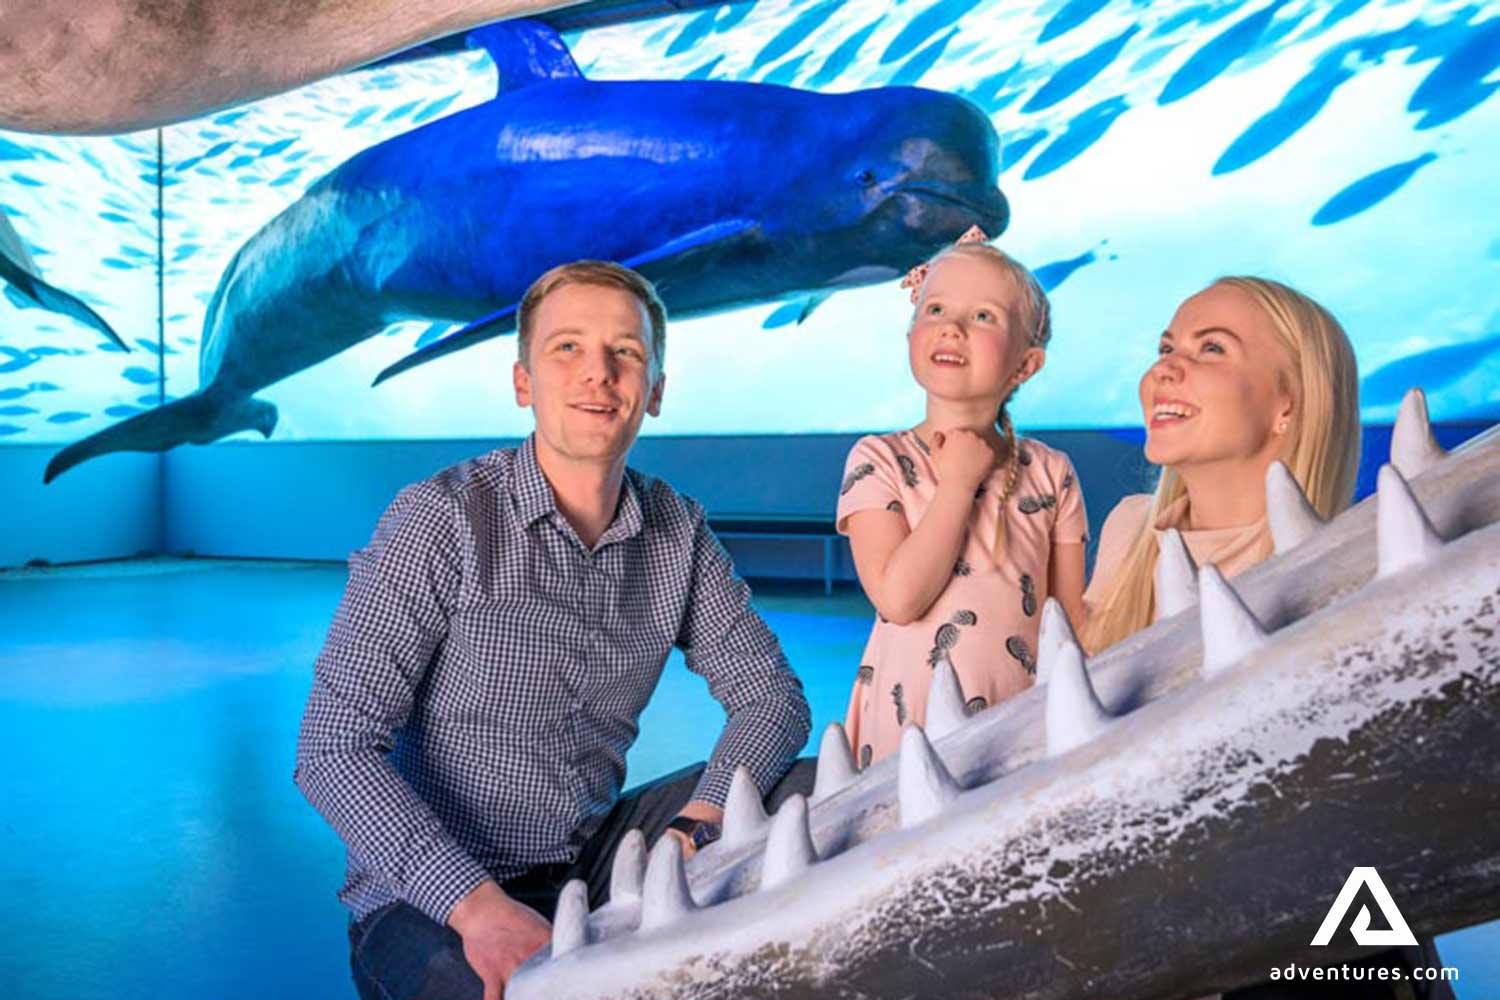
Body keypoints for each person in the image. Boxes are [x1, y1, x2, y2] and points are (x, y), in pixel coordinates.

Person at [294, 260, 812, 1000]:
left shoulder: (679, 529)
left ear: (655, 389)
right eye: (566, 347)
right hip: (433, 899)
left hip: (592, 857)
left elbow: (772, 699)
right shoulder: (438, 521)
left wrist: (696, 826)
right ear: (522, 383)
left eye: (625, 352)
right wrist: (480, 911)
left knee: (807, 789)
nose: (597, 374)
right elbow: (332, 749)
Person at [1080, 276, 1453, 1000]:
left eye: (1209, 348)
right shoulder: (1130, 530)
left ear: (1289, 403)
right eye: (1165, 347)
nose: (1165, 367)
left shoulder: (1360, 560)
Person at [836, 228, 1089, 768]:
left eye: (983, 317)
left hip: (1022, 731)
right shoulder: (877, 459)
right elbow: (899, 598)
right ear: (911, 332)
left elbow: (1072, 629)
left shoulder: (1052, 473)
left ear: (1025, 365)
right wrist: (957, 484)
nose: (951, 326)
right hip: (905, 735)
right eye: (936, 309)